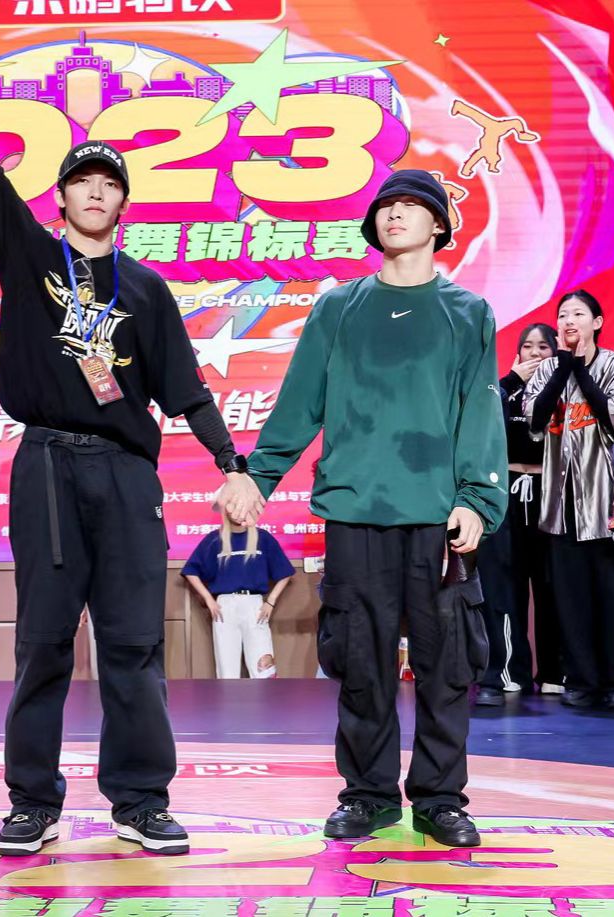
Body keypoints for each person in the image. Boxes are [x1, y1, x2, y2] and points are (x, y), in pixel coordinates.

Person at [0, 9, 259, 858]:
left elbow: (187, 391)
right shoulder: (29, 257)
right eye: (82, 180)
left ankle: (140, 799)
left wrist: (232, 464)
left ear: (124, 200)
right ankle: (32, 800)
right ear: (60, 197)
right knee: (44, 644)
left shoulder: (148, 290)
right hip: (48, 468)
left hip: (126, 475)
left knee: (133, 643)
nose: (96, 191)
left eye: (109, 182)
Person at [221, 169, 508, 848]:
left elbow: (480, 411)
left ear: (439, 225)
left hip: (438, 517)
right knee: (359, 660)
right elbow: (299, 403)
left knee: (447, 666)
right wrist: (257, 477)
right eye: (386, 206)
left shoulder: (468, 312)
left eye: (411, 205)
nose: (395, 214)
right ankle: (368, 794)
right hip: (355, 511)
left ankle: (440, 798)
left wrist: (478, 499)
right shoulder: (338, 308)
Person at [523, 290, 614, 710]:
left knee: (613, 593)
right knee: (570, 599)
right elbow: (535, 420)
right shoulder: (547, 369)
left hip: (607, 502)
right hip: (559, 505)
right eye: (563, 315)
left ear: (597, 322)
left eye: (578, 314)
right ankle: (582, 680)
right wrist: (562, 368)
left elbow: (613, 419)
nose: (569, 321)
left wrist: (581, 369)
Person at [475, 323, 560, 705]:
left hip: (550, 490)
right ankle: (509, 670)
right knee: (504, 584)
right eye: (528, 346)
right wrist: (510, 381)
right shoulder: (502, 389)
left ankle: (555, 672)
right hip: (506, 491)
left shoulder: (563, 387)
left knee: (551, 584)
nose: (535, 353)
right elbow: (481, 422)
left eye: (543, 347)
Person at [182, 517, 296, 679]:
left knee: (263, 668)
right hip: (224, 607)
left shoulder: (263, 537)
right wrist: (208, 599)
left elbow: (285, 572)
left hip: (255, 605)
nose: (237, 511)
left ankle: (266, 696)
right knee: (227, 670)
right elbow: (190, 570)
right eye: (232, 505)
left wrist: (271, 601)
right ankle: (227, 697)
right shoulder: (215, 539)